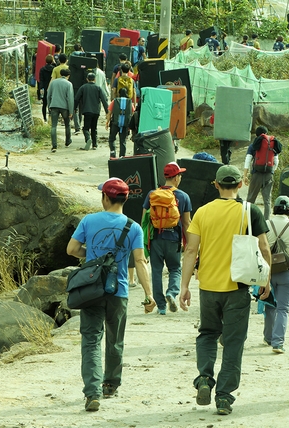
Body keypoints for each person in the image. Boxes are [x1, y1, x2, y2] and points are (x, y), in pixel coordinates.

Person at [179, 165, 271, 416]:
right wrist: (266, 279)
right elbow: (263, 247)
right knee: (233, 342)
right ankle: (224, 397)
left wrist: (184, 285)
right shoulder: (250, 211)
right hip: (238, 288)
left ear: (216, 185)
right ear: (240, 185)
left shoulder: (202, 212)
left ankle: (205, 379)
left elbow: (190, 251)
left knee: (208, 334)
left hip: (208, 287)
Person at [66, 177, 155, 412]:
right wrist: (149, 294)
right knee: (115, 340)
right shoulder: (133, 227)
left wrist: (92, 255)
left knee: (91, 340)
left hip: (92, 288)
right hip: (119, 291)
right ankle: (111, 385)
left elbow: (72, 249)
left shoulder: (89, 220)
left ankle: (92, 392)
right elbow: (139, 261)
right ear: (125, 199)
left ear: (105, 197)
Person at [142, 162, 192, 315]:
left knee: (156, 271)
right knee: (175, 269)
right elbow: (186, 222)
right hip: (173, 239)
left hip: (156, 239)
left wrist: (143, 244)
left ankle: (161, 307)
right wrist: (190, 244)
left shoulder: (152, 194)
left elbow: (144, 219)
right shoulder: (183, 196)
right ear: (176, 177)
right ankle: (172, 292)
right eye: (180, 175)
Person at [263, 195, 289, 353]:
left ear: (274, 208)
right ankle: (278, 343)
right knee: (283, 309)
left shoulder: (267, 223)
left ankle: (268, 337)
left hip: (268, 270)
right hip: (288, 271)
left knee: (269, 305)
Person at [243, 126, 282, 221]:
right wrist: (272, 171)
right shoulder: (272, 145)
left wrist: (245, 175)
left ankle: (248, 219)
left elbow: (248, 160)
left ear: (256, 135)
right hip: (269, 174)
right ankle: (267, 221)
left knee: (251, 198)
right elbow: (276, 161)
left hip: (256, 174)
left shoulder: (254, 145)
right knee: (267, 200)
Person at [74, 72, 109, 150]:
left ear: (87, 79)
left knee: (86, 128)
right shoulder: (98, 88)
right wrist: (107, 112)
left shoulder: (83, 87)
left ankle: (88, 139)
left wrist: (74, 108)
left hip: (87, 110)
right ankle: (94, 145)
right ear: (95, 79)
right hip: (96, 111)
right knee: (94, 128)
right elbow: (104, 100)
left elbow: (76, 98)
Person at [47, 68, 74, 152]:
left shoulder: (53, 83)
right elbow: (70, 98)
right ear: (68, 75)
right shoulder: (69, 84)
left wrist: (49, 106)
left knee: (54, 126)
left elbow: (48, 95)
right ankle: (67, 141)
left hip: (54, 105)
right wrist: (71, 111)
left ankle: (54, 145)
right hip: (64, 107)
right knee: (67, 124)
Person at [106, 88, 134, 158]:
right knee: (123, 141)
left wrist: (107, 122)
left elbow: (109, 113)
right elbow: (133, 113)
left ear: (119, 93)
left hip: (115, 124)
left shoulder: (114, 101)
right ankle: (122, 156)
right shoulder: (130, 102)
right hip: (125, 125)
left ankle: (113, 154)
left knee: (111, 139)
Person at [38, 54, 54, 123]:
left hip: (44, 86)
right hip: (52, 87)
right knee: (52, 103)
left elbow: (41, 80)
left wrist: (40, 88)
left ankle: (44, 118)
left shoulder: (42, 69)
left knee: (44, 104)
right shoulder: (54, 69)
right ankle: (50, 116)